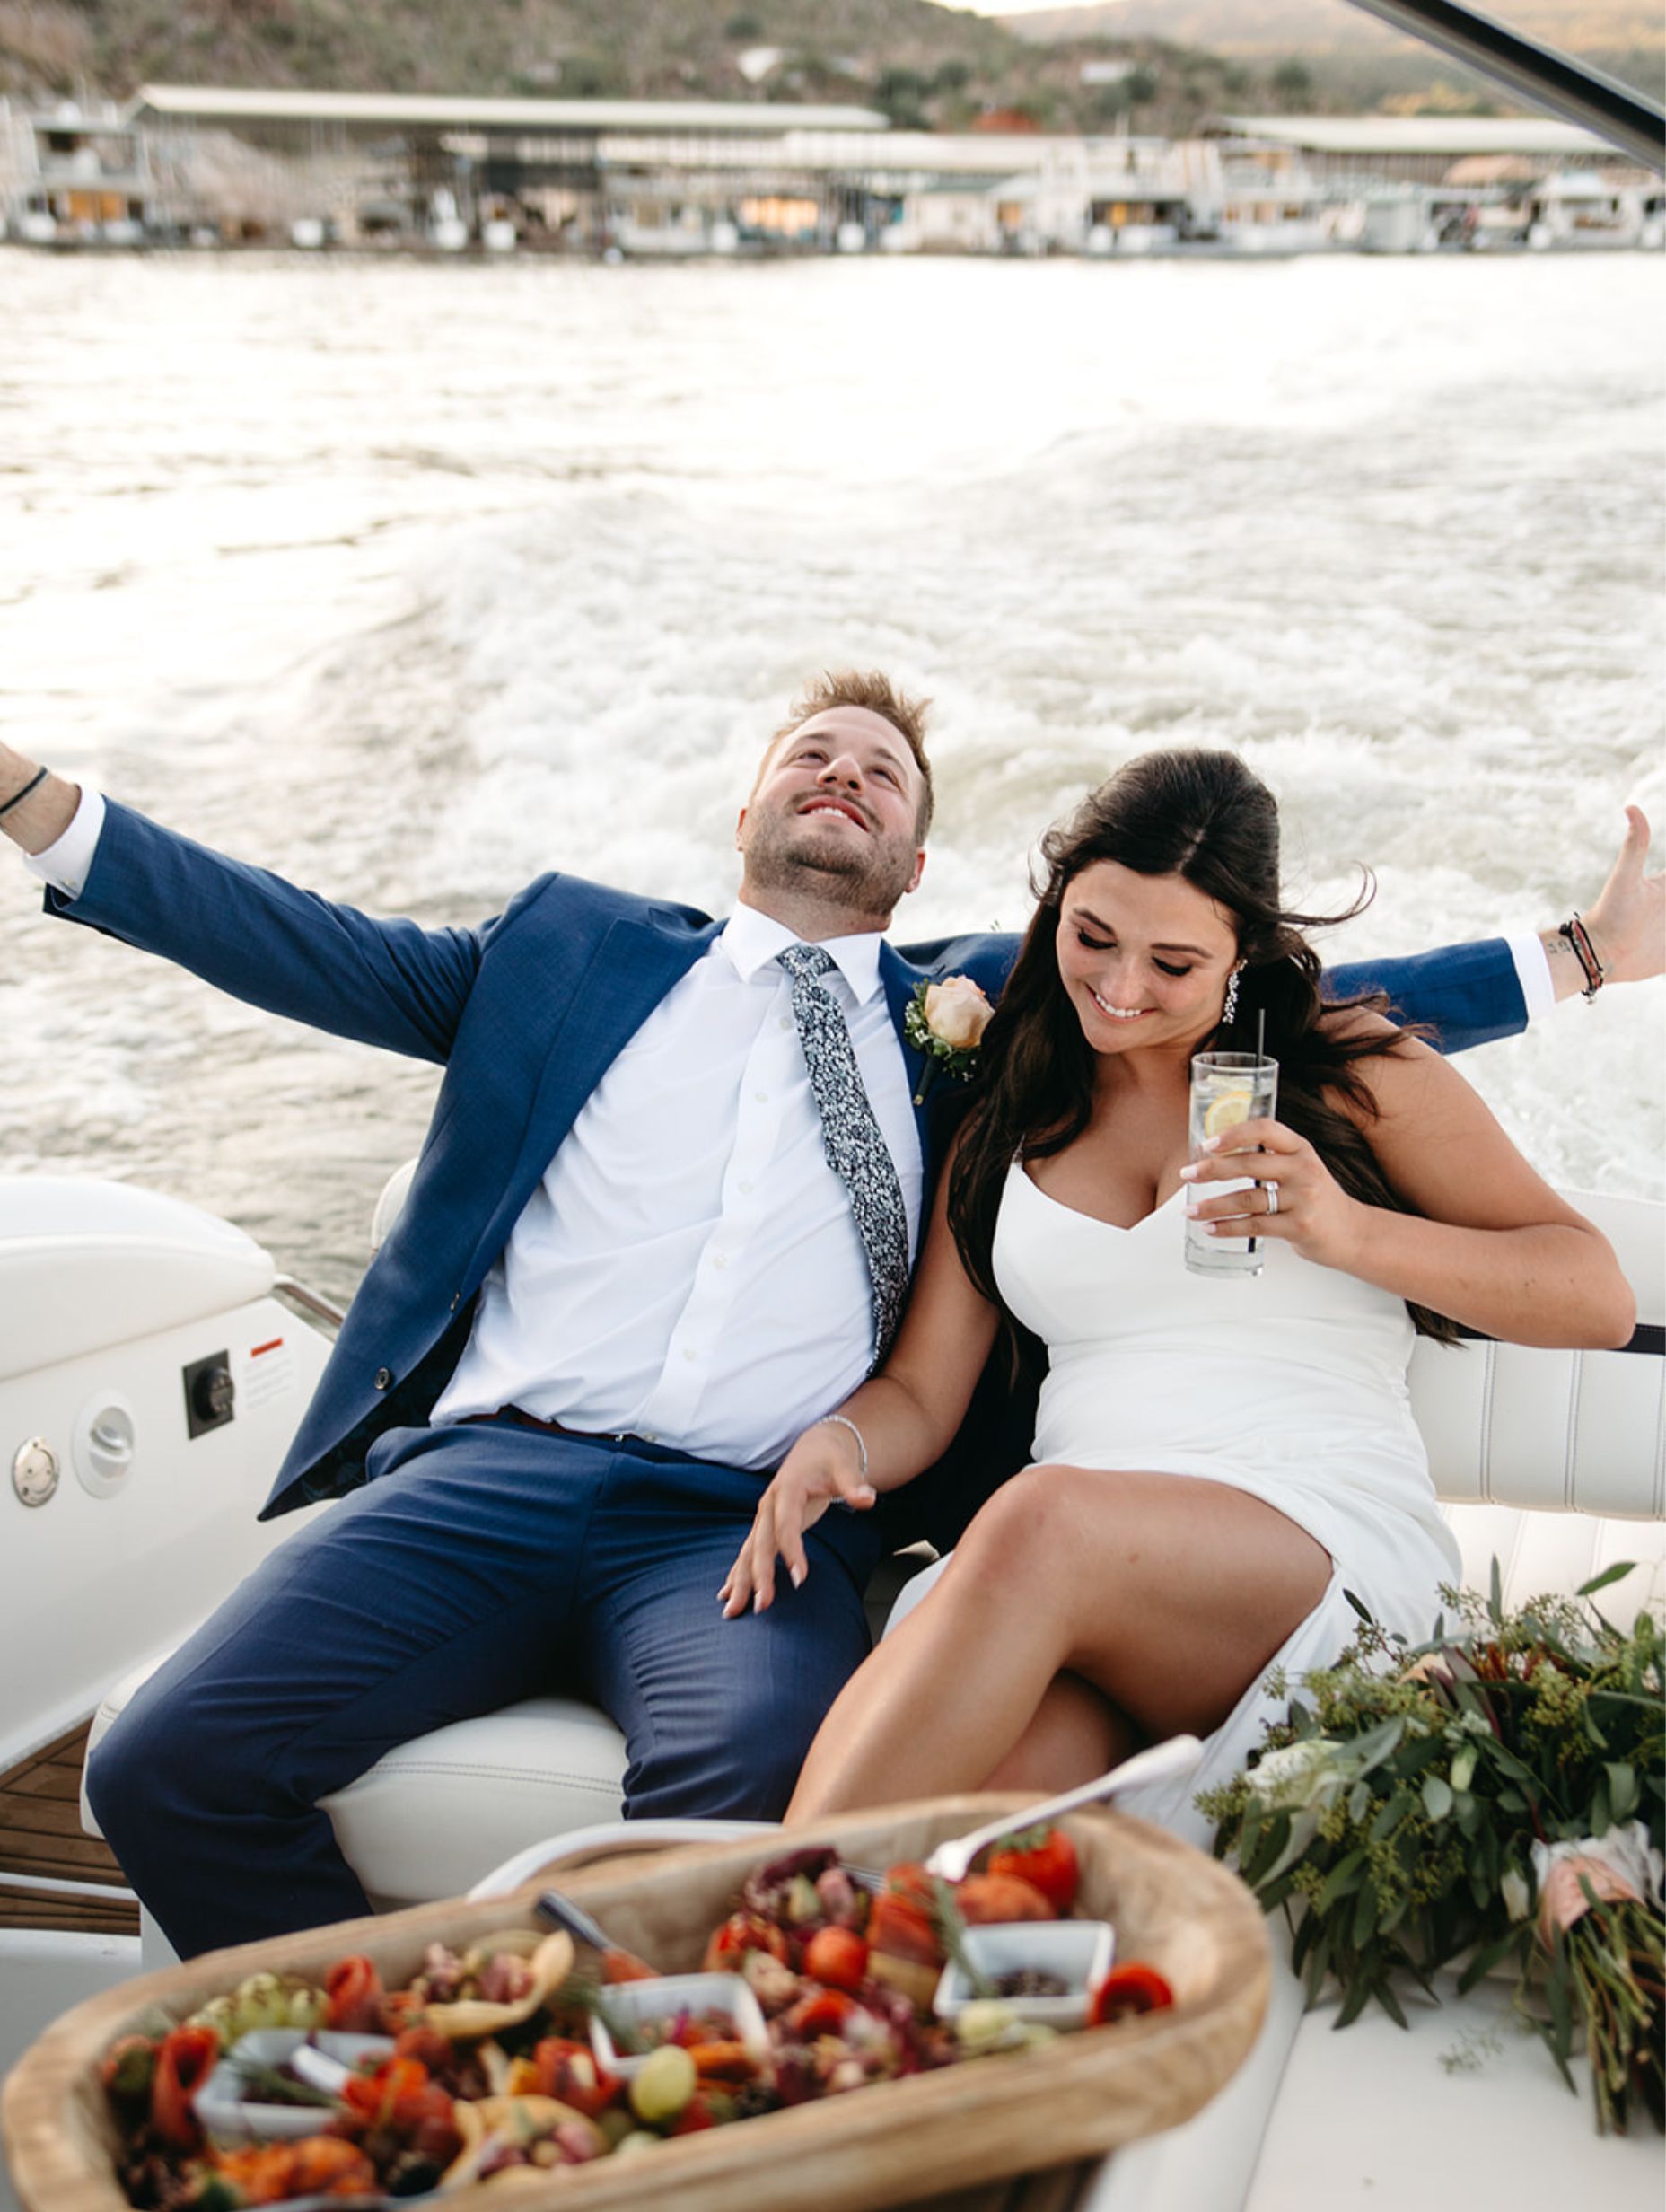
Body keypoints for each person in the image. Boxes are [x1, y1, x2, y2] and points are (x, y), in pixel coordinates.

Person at [0, 688, 1655, 1955]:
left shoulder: (970, 1020)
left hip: (797, 1531)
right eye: (815, 748)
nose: (1121, 984)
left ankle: (685, 2040)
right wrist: (27, 799)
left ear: (921, 866)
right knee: (158, 1765)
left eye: (884, 768)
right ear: (747, 805)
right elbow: (296, 940)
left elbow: (1309, 1012)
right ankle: (421, 2106)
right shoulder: (597, 962)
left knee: (800, 1750)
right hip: (495, 1475)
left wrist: (1575, 956)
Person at [719, 750, 1640, 1842]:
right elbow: (921, 1390)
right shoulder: (1007, 1119)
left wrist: (1345, 1230)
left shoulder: (1348, 1073)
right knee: (969, 1843)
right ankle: (806, 1982)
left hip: (1314, 1545)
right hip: (1077, 1590)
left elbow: (1593, 1296)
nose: (1120, 987)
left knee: (1037, 1519)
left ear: (1240, 957)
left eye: (1172, 962)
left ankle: (739, 1921)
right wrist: (840, 1441)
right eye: (1092, 936)